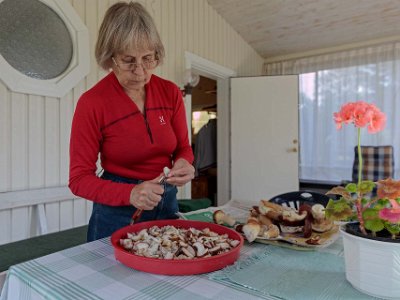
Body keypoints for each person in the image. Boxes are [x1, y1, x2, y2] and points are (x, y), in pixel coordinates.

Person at [68, 1, 194, 242]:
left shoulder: (170, 93)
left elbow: (183, 148)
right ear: (109, 57)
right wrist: (131, 193)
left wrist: (184, 163)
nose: (140, 72)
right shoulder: (92, 102)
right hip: (116, 210)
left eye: (148, 58)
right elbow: (79, 179)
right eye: (128, 61)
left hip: (166, 200)